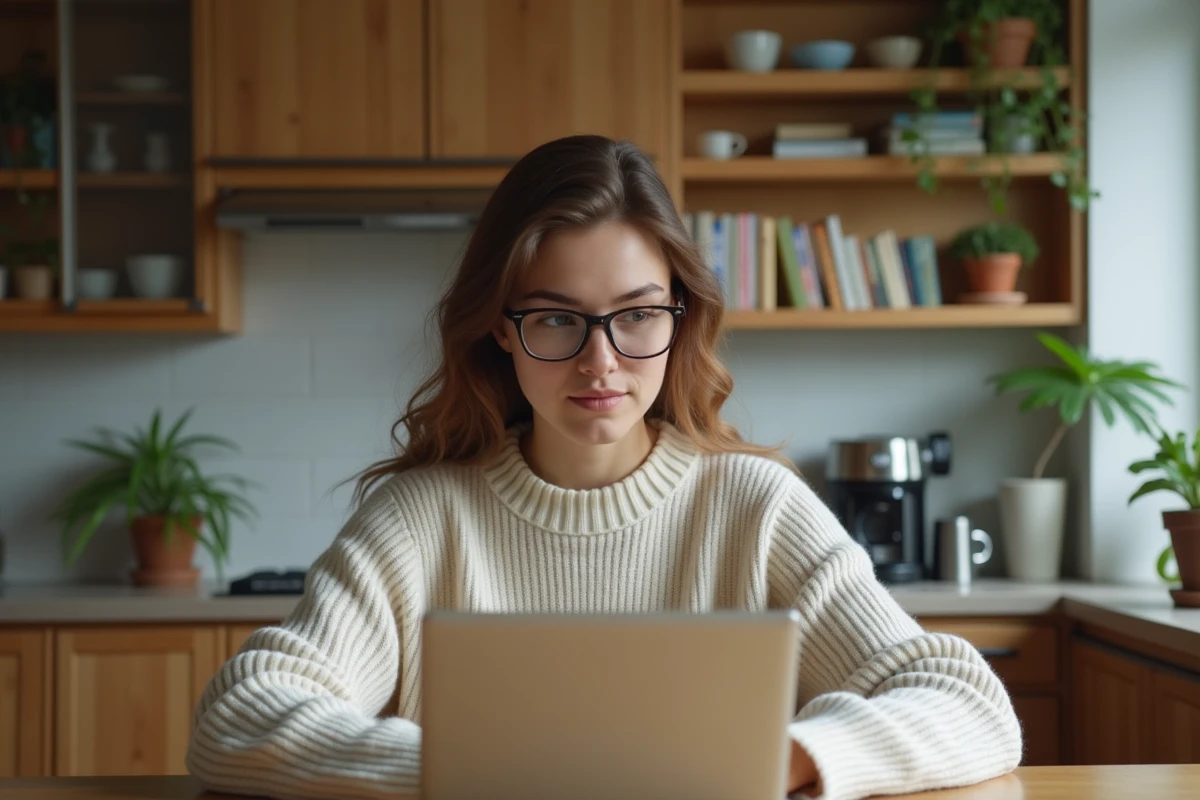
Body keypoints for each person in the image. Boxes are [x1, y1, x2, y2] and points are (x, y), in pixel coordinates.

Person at [186, 134, 1022, 800]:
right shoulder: (418, 519)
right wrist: (462, 776)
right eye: (557, 320)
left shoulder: (754, 507)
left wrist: (794, 756)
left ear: (679, 318)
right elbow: (237, 716)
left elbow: (969, 702)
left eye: (636, 317)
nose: (601, 365)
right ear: (501, 329)